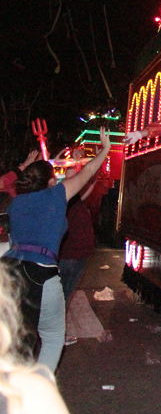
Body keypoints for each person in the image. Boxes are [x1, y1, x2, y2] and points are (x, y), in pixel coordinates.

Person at [1, 128, 110, 372]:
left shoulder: (16, 203)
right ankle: (38, 392)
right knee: (51, 339)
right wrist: (105, 150)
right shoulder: (56, 196)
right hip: (41, 272)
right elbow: (89, 172)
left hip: (10, 272)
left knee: (16, 338)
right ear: (52, 182)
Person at [0, 262, 70, 414]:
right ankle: (43, 371)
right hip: (45, 269)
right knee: (53, 336)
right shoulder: (29, 394)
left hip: (19, 265)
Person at [58, 169, 98, 345]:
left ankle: (56, 333)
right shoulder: (65, 200)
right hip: (71, 256)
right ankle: (57, 335)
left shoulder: (70, 200)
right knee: (63, 297)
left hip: (75, 254)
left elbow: (88, 187)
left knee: (64, 295)